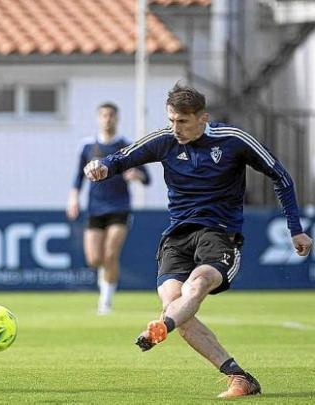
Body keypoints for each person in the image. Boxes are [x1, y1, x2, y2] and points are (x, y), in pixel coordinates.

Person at [83, 84, 312, 398]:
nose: (175, 129)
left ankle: (162, 328)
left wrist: (295, 228)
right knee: (175, 303)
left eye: (183, 122)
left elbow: (281, 176)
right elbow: (122, 158)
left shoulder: (233, 139)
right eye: (172, 120)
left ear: (203, 118)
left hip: (219, 234)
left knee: (195, 287)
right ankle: (239, 377)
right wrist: (101, 166)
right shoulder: (164, 140)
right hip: (177, 236)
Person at [67, 102, 150, 315]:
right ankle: (104, 280)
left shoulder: (126, 146)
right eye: (104, 115)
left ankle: (106, 301)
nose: (107, 119)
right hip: (95, 208)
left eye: (111, 115)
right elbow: (78, 178)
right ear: (98, 118)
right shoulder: (87, 146)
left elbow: (146, 177)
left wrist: (136, 175)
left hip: (119, 207)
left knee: (111, 254)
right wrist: (73, 198)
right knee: (94, 259)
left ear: (117, 118)